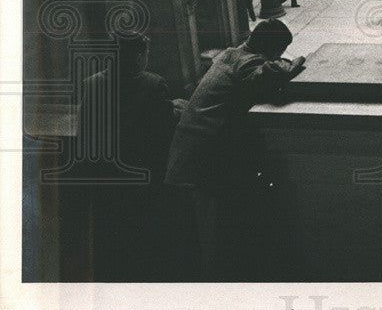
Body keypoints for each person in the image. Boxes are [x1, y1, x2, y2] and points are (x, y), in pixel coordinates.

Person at [165, 20, 306, 280]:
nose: (279, 55)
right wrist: (295, 62)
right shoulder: (249, 63)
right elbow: (271, 72)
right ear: (271, 47)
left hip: (190, 153)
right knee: (212, 235)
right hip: (203, 159)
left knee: (206, 229)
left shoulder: (231, 53)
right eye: (280, 49)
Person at [76, 31, 180, 281]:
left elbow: (85, 130)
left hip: (106, 176)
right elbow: (161, 135)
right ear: (139, 55)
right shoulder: (154, 84)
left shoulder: (91, 83)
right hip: (142, 177)